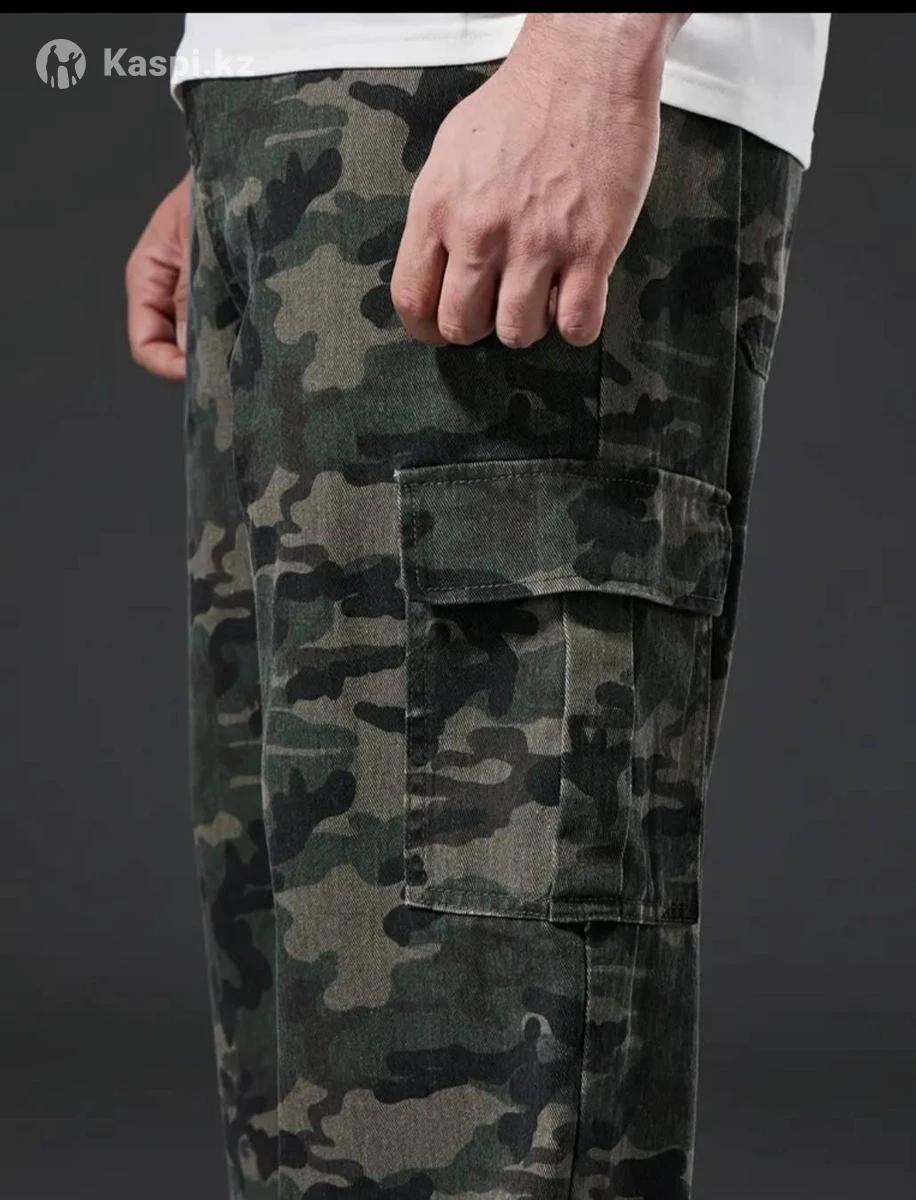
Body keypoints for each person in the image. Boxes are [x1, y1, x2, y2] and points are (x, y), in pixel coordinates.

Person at [126, 13, 829, 1198]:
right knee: (317, 1111)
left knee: (476, 1116)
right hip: (303, 133)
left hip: (504, 84)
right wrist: (250, 117)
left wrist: (588, 56)